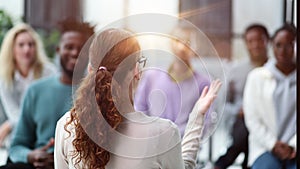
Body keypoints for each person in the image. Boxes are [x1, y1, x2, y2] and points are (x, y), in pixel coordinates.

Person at [54, 28, 222, 169]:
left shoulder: (65, 126)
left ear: (91, 69)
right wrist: (197, 117)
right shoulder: (163, 133)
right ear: (137, 72)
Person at [0, 20, 94, 169]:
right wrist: (32, 156)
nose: (75, 52)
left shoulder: (97, 94)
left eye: (81, 48)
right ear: (58, 50)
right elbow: (17, 147)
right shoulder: (35, 91)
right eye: (69, 47)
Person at [134, 26, 210, 137]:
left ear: (195, 46)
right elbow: (139, 109)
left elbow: (203, 123)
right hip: (151, 144)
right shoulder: (151, 76)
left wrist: (173, 136)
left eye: (187, 42)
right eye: (178, 40)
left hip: (184, 148)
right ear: (170, 43)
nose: (181, 47)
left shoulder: (203, 84)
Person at [214, 24, 269, 169]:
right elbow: (223, 106)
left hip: (269, 125)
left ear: (267, 41)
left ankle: (222, 163)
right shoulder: (235, 71)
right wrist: (238, 110)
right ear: (246, 44)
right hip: (241, 123)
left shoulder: (275, 69)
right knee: (246, 128)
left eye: (259, 40)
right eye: (251, 41)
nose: (255, 45)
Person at [243, 24, 296, 169]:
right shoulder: (257, 77)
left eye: (290, 45)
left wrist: (292, 146)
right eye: (278, 45)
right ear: (272, 46)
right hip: (265, 147)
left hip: (295, 149)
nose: (283, 51)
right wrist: (273, 145)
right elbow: (252, 119)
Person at [0, 23, 57, 148]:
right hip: (19, 135)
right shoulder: (4, 77)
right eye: (21, 45)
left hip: (45, 133)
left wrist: (8, 125)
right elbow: (12, 112)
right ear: (12, 49)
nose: (26, 49)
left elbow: (49, 111)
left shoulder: (49, 72)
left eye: (31, 45)